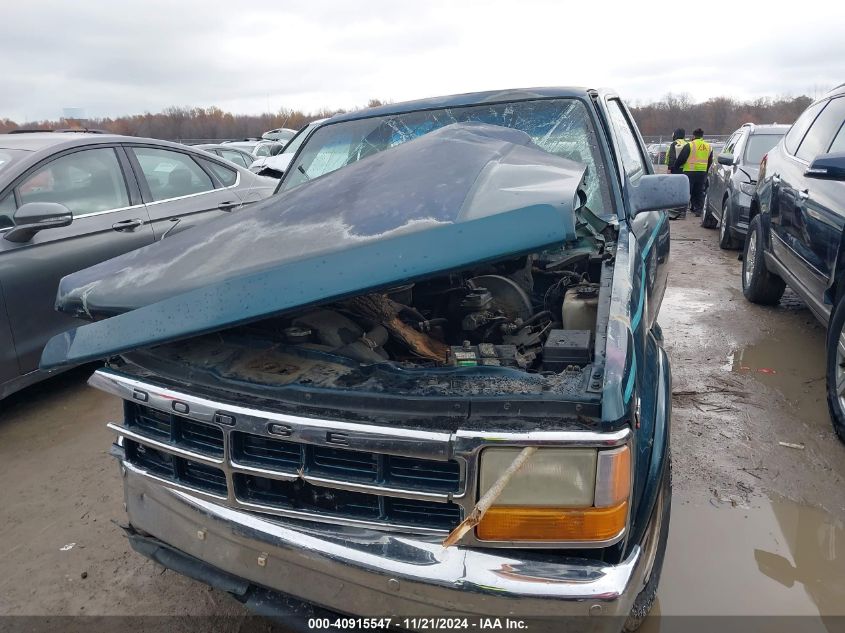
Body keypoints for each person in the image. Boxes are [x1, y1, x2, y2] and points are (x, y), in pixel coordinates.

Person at [674, 128, 712, 217]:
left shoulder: (690, 145)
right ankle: (699, 210)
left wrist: (676, 167)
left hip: (689, 171)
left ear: (693, 136)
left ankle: (682, 211)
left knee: (687, 191)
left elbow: (682, 158)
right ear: (702, 136)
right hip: (702, 172)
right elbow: (709, 160)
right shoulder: (708, 146)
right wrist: (705, 171)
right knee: (699, 191)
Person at [665, 128, 688, 219]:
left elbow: (672, 157)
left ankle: (675, 210)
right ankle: (682, 210)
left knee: (674, 189)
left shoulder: (674, 144)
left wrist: (670, 168)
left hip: (676, 169)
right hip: (686, 170)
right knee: (683, 190)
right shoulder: (687, 144)